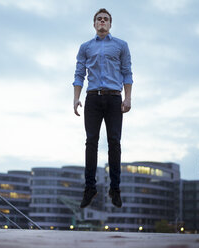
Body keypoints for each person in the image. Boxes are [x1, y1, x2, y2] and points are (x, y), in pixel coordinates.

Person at [72, 8, 133, 208]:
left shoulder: (121, 46)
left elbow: (127, 73)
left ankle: (115, 189)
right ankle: (90, 188)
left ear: (110, 24)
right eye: (99, 19)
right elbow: (79, 74)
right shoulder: (85, 47)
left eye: (105, 19)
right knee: (91, 142)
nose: (102, 22)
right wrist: (76, 98)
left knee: (114, 142)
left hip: (115, 99)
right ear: (94, 24)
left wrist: (128, 98)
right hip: (93, 99)